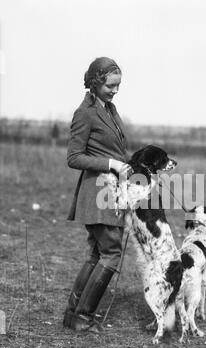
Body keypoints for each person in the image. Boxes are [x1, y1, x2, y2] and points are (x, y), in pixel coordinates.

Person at [63, 57, 133, 333]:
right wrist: (112, 165)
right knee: (112, 252)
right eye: (110, 86)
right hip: (97, 192)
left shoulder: (110, 109)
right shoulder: (85, 113)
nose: (115, 91)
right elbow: (74, 157)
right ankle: (83, 317)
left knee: (97, 252)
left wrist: (134, 168)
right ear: (95, 82)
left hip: (111, 191)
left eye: (118, 86)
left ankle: (73, 314)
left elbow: (115, 151)